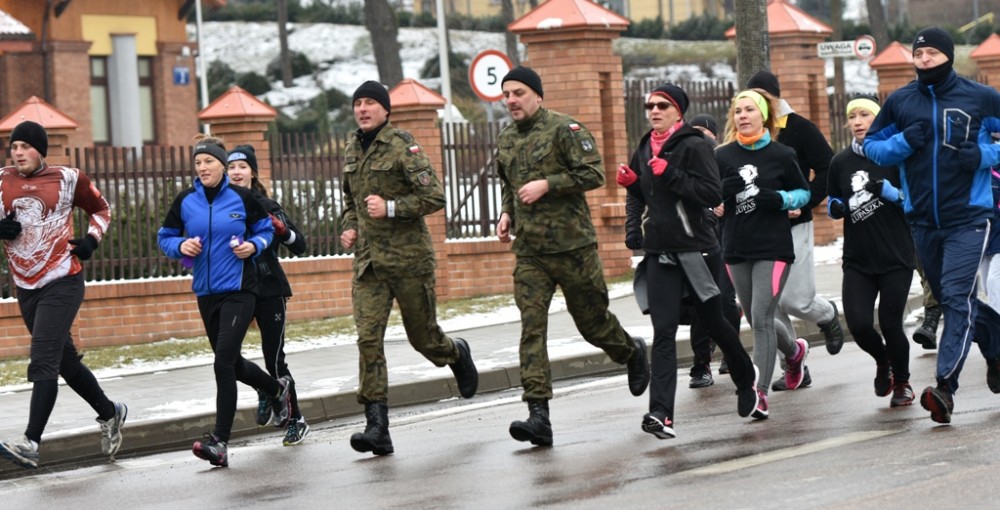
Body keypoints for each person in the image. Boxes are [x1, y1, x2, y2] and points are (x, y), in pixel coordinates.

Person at [496, 66, 650, 446]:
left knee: (592, 324)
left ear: (537, 95)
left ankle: (630, 352)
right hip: (530, 252)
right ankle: (538, 415)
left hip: (573, 247)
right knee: (532, 328)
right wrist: (506, 213)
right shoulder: (506, 139)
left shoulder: (565, 129)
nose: (511, 100)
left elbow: (594, 173)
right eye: (506, 94)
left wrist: (548, 184)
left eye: (518, 93)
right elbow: (509, 185)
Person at [864, 27, 1000, 424]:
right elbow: (872, 146)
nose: (924, 60)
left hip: (969, 218)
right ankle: (996, 350)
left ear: (948, 56)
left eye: (932, 54)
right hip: (922, 220)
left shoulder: (980, 97)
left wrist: (984, 155)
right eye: (918, 54)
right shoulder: (901, 101)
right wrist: (904, 143)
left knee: (956, 299)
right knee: (954, 301)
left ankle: (945, 387)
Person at [339, 80, 479, 456]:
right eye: (358, 103)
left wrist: (391, 207)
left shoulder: (403, 145)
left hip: (408, 261)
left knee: (423, 338)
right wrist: (349, 226)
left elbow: (434, 196)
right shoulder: (352, 148)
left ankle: (456, 353)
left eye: (370, 103)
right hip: (370, 264)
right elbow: (350, 201)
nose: (362, 109)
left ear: (385, 110)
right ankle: (377, 426)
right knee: (368, 339)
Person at [619, 84, 760, 439]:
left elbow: (712, 193)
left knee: (714, 323)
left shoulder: (696, 145)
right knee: (663, 332)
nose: (654, 111)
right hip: (660, 252)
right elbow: (650, 195)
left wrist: (671, 173)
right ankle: (661, 414)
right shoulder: (645, 145)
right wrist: (634, 184)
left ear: (678, 112)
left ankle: (746, 377)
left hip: (696, 250)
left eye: (662, 106)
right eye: (650, 106)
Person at [158, 136, 293, 466]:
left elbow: (265, 230)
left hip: (240, 289)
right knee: (231, 362)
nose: (202, 167)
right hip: (206, 292)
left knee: (222, 363)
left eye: (209, 162)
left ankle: (219, 442)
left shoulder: (243, 198)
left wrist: (254, 246)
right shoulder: (186, 200)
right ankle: (276, 390)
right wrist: (180, 246)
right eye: (198, 163)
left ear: (221, 164)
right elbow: (165, 237)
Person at [0, 121, 127, 470]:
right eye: (14, 146)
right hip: (26, 286)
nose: (18, 152)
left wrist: (91, 241)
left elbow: (102, 209)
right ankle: (110, 412)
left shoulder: (69, 179)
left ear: (40, 149)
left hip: (63, 280)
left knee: (43, 357)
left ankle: (30, 442)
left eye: (25, 146)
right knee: (66, 363)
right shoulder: (2, 180)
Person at [746, 71, 845, 393]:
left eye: (764, 98)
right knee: (768, 306)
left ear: (775, 98)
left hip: (794, 224)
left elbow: (828, 166)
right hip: (759, 229)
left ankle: (826, 313)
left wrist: (805, 202)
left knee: (795, 300)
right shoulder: (747, 134)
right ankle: (794, 366)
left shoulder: (799, 128)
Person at [717, 89, 811, 419]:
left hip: (773, 248)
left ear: (763, 115)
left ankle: (759, 393)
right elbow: (709, 200)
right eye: (738, 111)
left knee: (760, 318)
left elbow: (803, 193)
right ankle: (794, 352)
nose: (742, 115)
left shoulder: (782, 154)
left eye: (749, 110)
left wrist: (782, 199)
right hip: (736, 247)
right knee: (760, 317)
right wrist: (720, 195)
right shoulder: (722, 156)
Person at [827, 96, 915, 407]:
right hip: (858, 259)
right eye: (852, 116)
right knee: (859, 325)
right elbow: (832, 199)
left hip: (896, 255)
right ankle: (883, 360)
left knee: (891, 324)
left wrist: (893, 194)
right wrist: (835, 207)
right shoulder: (840, 162)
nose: (857, 121)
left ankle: (902, 383)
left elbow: (916, 201)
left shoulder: (898, 157)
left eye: (865, 114)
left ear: (879, 120)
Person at [226, 144, 310, 446]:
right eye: (231, 167)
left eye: (242, 167)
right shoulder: (218, 207)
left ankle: (296, 419)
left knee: (275, 361)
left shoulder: (266, 205)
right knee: (227, 357)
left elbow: (299, 245)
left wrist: (281, 230)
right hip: (235, 290)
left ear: (253, 172)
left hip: (268, 289)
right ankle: (264, 387)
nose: (236, 172)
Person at [686, 112, 742, 382]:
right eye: (694, 131)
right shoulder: (685, 162)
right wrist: (707, 210)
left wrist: (723, 202)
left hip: (725, 239)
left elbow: (741, 191)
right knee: (700, 303)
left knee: (726, 301)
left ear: (714, 136)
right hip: (696, 241)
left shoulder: (725, 159)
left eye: (704, 132)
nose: (699, 138)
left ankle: (731, 355)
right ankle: (701, 365)